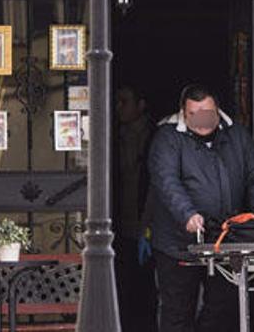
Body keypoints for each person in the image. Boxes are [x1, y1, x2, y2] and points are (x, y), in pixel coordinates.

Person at [148, 84, 254, 332]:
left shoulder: (237, 135)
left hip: (225, 240)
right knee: (177, 311)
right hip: (178, 243)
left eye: (208, 114)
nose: (203, 121)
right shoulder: (167, 137)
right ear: (184, 113)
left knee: (223, 307)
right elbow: (167, 181)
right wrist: (188, 215)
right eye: (195, 115)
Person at [112, 86, 157, 332]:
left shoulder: (154, 136)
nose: (119, 107)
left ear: (140, 105)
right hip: (121, 219)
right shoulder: (115, 135)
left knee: (146, 282)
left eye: (124, 101)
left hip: (144, 218)